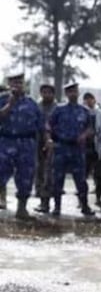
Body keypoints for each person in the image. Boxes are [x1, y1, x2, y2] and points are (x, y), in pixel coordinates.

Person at [0, 73, 48, 219]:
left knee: (26, 176)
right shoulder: (2, 99)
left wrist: (48, 139)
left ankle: (22, 209)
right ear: (9, 84)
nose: (18, 85)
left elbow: (42, 125)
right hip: (6, 141)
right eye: (14, 82)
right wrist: (11, 103)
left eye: (20, 82)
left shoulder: (32, 103)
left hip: (27, 144)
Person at [49, 82, 95, 217]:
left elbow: (91, 128)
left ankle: (85, 205)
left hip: (77, 149)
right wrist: (50, 140)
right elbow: (49, 126)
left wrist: (85, 135)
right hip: (61, 147)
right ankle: (57, 207)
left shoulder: (84, 111)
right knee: (58, 178)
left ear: (78, 93)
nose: (72, 94)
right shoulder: (58, 109)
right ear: (66, 94)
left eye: (75, 91)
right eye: (69, 92)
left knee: (81, 179)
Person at [34, 83, 57, 214]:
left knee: (49, 173)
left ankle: (47, 202)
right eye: (44, 92)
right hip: (37, 142)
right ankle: (41, 198)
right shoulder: (37, 107)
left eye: (49, 92)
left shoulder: (57, 108)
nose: (46, 95)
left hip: (52, 143)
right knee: (39, 171)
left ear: (53, 94)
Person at [83, 92, 101, 208]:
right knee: (83, 175)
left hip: (97, 148)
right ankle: (82, 200)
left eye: (90, 99)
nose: (89, 101)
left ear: (94, 100)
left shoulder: (100, 113)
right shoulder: (82, 112)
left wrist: (96, 134)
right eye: (86, 100)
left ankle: (98, 197)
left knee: (99, 175)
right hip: (84, 148)